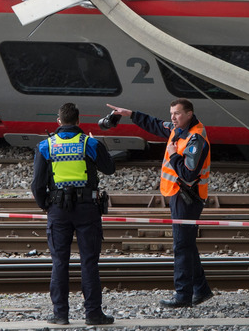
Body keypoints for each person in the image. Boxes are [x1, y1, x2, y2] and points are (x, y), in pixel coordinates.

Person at [106, 99, 213, 308]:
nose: (172, 118)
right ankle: (201, 290)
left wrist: (173, 155)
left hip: (187, 198)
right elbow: (155, 124)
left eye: (177, 114)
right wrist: (131, 114)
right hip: (178, 195)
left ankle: (183, 296)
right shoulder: (178, 130)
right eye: (171, 113)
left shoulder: (196, 138)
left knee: (181, 245)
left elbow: (189, 174)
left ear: (189, 114)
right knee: (187, 244)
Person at [31, 103, 116, 326]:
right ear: (79, 122)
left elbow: (37, 184)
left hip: (58, 210)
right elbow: (109, 168)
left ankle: (60, 314)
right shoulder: (89, 143)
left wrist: (46, 206)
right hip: (87, 208)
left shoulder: (45, 146)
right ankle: (93, 314)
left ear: (58, 122)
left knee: (60, 262)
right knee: (89, 261)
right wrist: (99, 143)